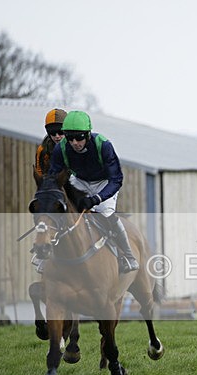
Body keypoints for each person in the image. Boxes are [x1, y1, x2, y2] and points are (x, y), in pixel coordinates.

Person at [47, 110, 139, 273]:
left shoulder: (103, 145)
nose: (75, 142)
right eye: (70, 138)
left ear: (88, 134)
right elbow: (53, 179)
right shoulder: (60, 149)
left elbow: (116, 179)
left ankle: (128, 256)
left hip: (104, 183)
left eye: (79, 137)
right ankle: (45, 256)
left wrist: (97, 198)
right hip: (80, 181)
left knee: (105, 213)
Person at [34, 108, 66, 178]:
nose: (57, 136)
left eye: (61, 132)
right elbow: (39, 172)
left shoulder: (75, 144)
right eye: (53, 133)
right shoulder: (43, 149)